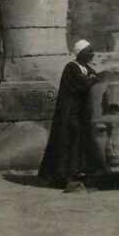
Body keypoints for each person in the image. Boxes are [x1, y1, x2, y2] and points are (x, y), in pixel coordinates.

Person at [38, 39, 100, 191]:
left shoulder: (85, 68)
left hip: (80, 112)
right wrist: (91, 79)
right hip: (69, 112)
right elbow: (83, 85)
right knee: (69, 140)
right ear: (80, 54)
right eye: (88, 52)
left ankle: (77, 171)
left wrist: (91, 78)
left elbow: (94, 78)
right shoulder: (71, 68)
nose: (92, 54)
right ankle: (64, 175)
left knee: (79, 141)